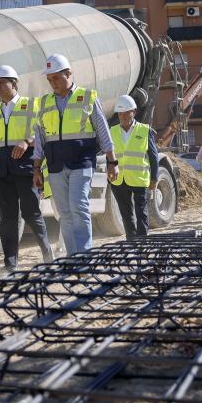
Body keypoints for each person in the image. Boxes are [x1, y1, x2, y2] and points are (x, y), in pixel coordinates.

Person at [33, 54, 118, 256]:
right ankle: (74, 256)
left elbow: (103, 131)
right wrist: (36, 168)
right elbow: (39, 138)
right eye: (50, 80)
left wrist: (112, 161)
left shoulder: (88, 97)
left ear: (69, 73)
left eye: (56, 78)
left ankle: (85, 255)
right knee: (64, 213)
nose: (52, 83)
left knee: (78, 207)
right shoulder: (44, 103)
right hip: (55, 166)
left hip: (81, 163)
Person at [0, 65, 54, 277]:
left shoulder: (31, 105)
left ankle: (47, 254)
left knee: (32, 213)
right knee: (8, 218)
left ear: (14, 83)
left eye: (2, 82)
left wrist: (26, 141)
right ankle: (10, 264)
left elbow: (43, 133)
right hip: (2, 170)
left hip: (25, 169)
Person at [108, 95, 158, 240]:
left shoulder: (144, 130)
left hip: (139, 178)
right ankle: (131, 239)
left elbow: (153, 156)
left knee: (141, 210)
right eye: (120, 113)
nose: (123, 116)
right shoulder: (113, 131)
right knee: (125, 212)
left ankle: (142, 239)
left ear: (134, 112)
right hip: (119, 179)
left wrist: (154, 177)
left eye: (126, 112)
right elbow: (109, 154)